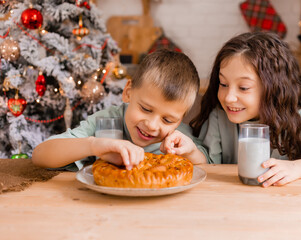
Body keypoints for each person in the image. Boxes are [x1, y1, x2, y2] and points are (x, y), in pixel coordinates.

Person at [191, 32, 301, 187]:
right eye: (223, 84)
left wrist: (297, 168)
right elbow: (210, 165)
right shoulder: (220, 117)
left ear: (274, 88)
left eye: (243, 87)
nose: (228, 97)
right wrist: (192, 152)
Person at [32, 49, 208, 171]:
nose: (152, 125)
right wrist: (93, 145)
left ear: (180, 119)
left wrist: (191, 152)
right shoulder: (106, 122)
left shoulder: (179, 138)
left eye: (168, 120)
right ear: (128, 92)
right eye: (146, 109)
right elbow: (40, 156)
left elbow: (207, 167)